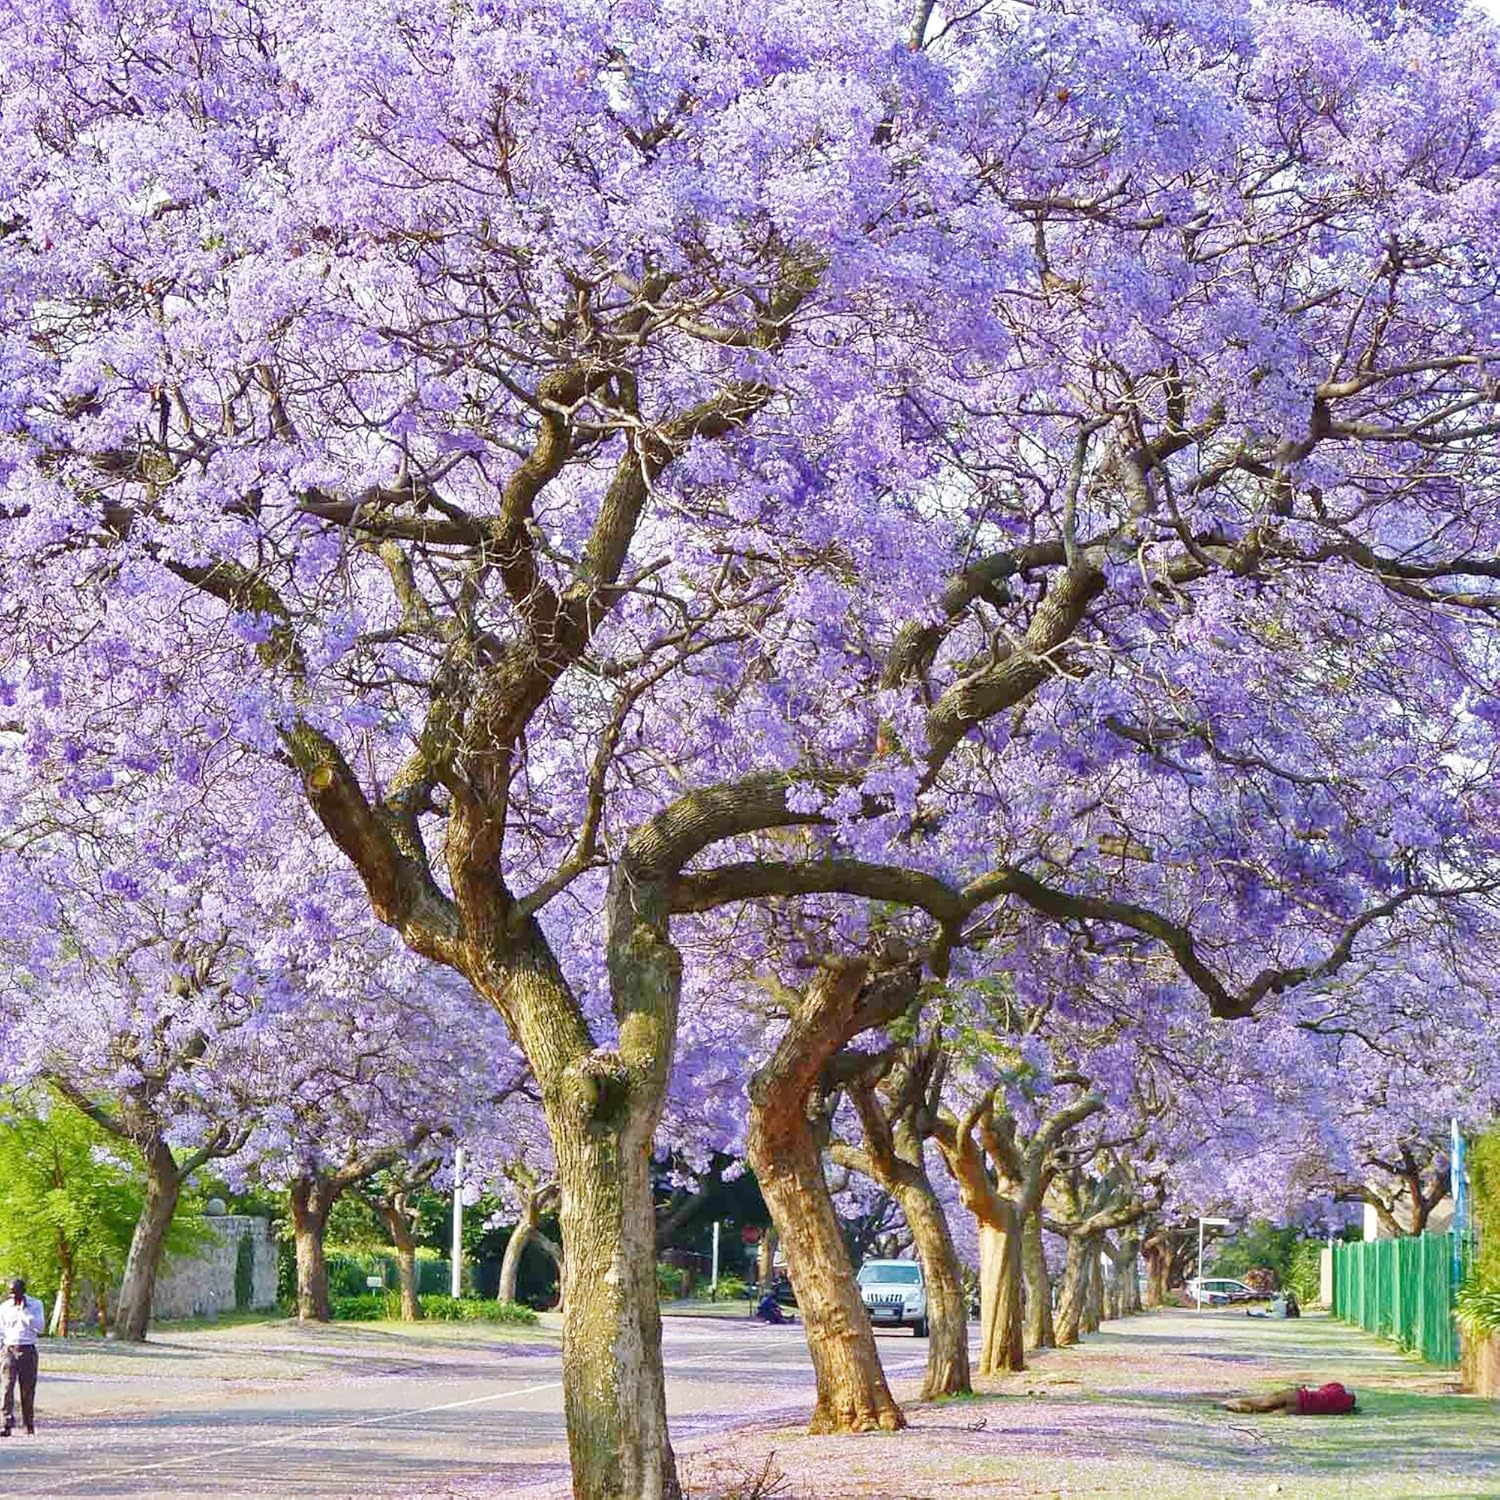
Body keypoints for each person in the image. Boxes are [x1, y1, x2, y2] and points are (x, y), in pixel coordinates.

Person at [0, 1278, 44, 1436]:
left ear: (23, 1292)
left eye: (17, 1294)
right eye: (11, 1295)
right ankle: (6, 1424)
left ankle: (28, 1423)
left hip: (27, 1349)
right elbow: (1, 1331)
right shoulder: (4, 1307)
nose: (14, 1298)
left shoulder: (36, 1305)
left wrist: (24, 1312)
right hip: (9, 1349)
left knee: (27, 1389)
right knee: (6, 1387)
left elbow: (40, 1327)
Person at [1222, 1381, 1357, 1415]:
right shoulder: (1341, 1409)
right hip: (1302, 1410)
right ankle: (1236, 1407)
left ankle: (1234, 1403)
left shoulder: (1338, 1388)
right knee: (1265, 1411)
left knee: (1264, 1402)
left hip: (1300, 1396)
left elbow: (1322, 1389)